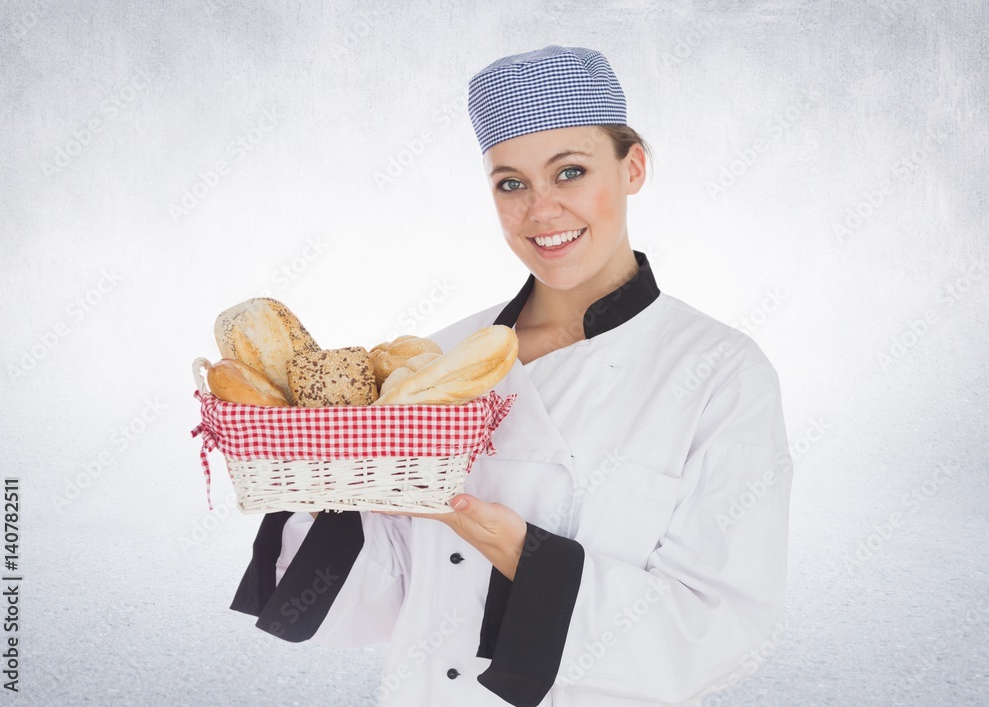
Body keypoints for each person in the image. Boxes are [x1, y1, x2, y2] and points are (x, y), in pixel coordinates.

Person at [229, 45, 793, 706]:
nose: (540, 211)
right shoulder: (435, 362)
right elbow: (385, 593)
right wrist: (317, 482)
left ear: (633, 166)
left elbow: (724, 631)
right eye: (511, 183)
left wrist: (528, 560)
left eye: (571, 171)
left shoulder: (719, 373)